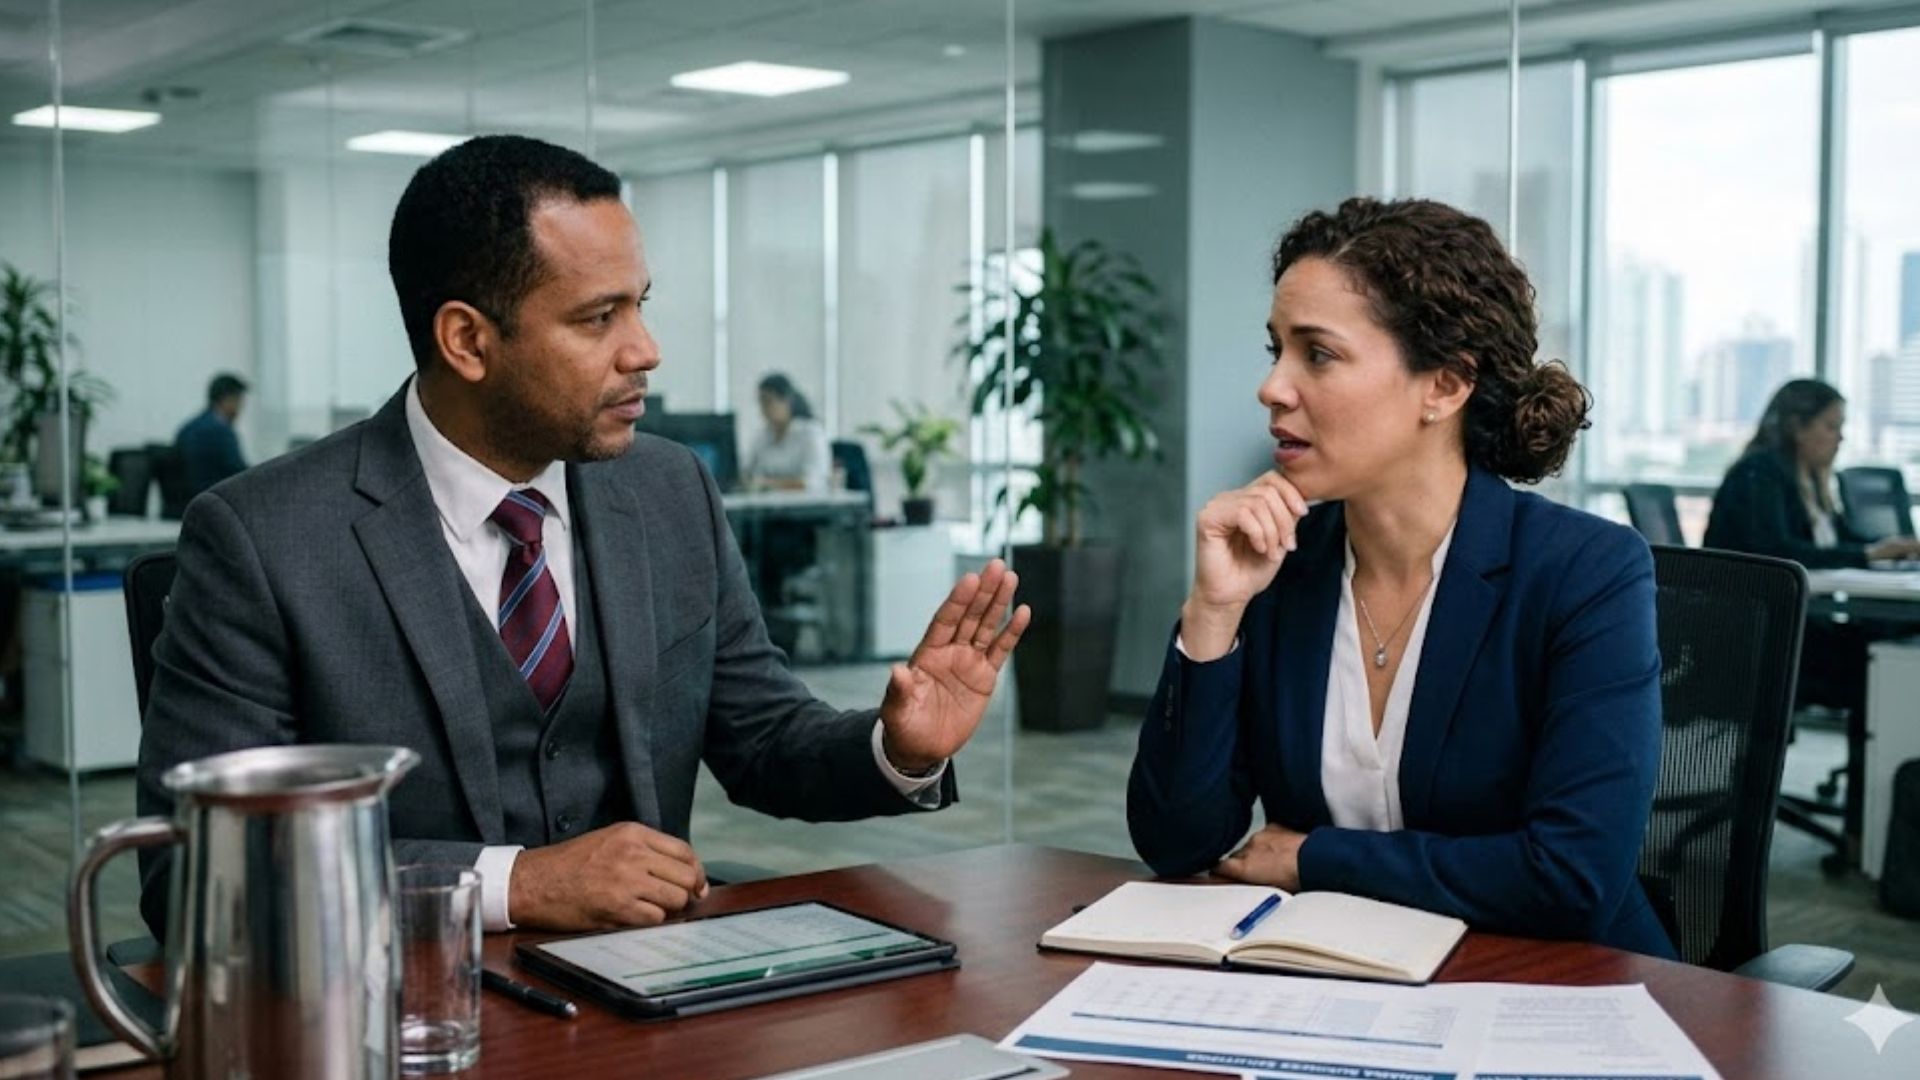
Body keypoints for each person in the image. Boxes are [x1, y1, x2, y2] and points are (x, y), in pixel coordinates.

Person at [137, 135, 1030, 939]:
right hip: (400, 1016)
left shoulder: (668, 489)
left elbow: (763, 742)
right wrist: (512, 885)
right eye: (598, 318)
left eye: (639, 306)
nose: (645, 350)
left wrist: (896, 747)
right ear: (467, 341)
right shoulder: (264, 539)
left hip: (649, 998)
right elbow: (195, 874)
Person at [1128, 196, 1674, 958]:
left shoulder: (1586, 572)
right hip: (1338, 985)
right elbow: (1179, 842)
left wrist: (1312, 857)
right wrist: (1214, 614)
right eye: (1275, 350)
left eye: (1316, 354)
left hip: (1551, 992)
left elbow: (1571, 877)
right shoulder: (1281, 568)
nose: (1273, 387)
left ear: (1445, 386)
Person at [1704, 379, 1920, 568]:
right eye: (1831, 427)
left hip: (1802, 602)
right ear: (1797, 427)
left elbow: (1840, 540)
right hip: (1752, 605)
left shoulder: (1810, 478)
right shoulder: (1759, 472)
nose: (1840, 438)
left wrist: (1889, 548)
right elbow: (1777, 551)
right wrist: (1867, 554)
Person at [745, 372, 831, 492]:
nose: (763, 408)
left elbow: (812, 482)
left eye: (768, 401)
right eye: (761, 402)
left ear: (787, 401)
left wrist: (768, 484)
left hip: (806, 507)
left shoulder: (811, 433)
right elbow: (747, 473)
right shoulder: (762, 435)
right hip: (769, 505)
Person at [173, 372, 248, 497]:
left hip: (188, 503)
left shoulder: (186, 428)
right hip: (215, 501)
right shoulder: (222, 432)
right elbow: (240, 474)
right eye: (239, 401)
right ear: (228, 400)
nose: (241, 409)